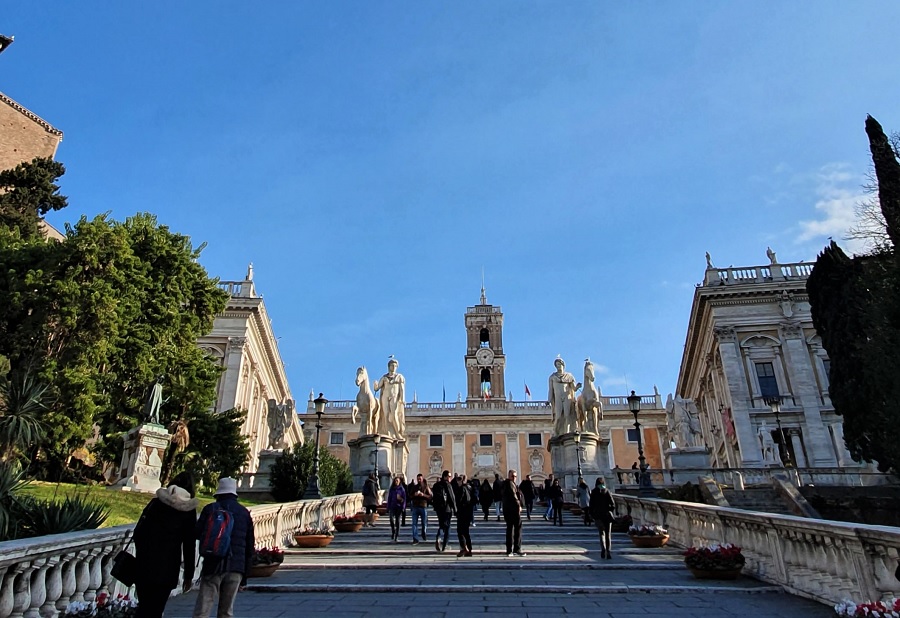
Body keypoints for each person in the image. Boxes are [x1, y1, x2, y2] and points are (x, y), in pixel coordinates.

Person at [133, 471, 197, 618]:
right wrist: (189, 575)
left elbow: (139, 533)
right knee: (156, 609)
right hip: (168, 569)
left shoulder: (156, 503)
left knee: (143, 608)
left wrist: (143, 554)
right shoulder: (188, 511)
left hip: (145, 565)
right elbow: (189, 545)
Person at [193, 477, 254, 618]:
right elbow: (250, 546)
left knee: (203, 609)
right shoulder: (244, 513)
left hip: (212, 564)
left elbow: (197, 533)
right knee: (226, 611)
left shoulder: (210, 509)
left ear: (218, 494)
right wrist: (245, 575)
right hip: (235, 567)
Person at [372, 356, 406, 439]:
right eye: (392, 366)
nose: (393, 367)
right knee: (385, 415)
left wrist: (402, 399)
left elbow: (402, 389)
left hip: (394, 397)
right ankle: (387, 433)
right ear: (389, 367)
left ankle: (397, 433)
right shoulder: (384, 377)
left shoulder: (399, 377)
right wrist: (375, 385)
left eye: (395, 366)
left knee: (394, 415)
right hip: (385, 397)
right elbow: (377, 388)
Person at [548, 357, 579, 435]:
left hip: (567, 397)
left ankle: (567, 432)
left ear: (563, 365)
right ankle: (556, 431)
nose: (558, 366)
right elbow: (551, 390)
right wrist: (549, 400)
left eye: (559, 364)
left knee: (567, 415)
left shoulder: (569, 376)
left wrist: (577, 387)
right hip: (558, 399)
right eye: (557, 365)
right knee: (558, 416)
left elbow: (574, 388)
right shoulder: (552, 377)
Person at [589, 477, 616, 559]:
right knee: (608, 535)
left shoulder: (594, 492)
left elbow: (591, 505)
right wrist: (610, 510)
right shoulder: (607, 491)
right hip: (607, 516)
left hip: (598, 516)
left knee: (601, 534)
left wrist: (592, 515)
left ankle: (603, 549)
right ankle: (608, 551)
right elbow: (613, 504)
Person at [501, 469, 526, 557]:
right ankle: (516, 549)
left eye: (515, 476)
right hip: (513, 510)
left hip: (508, 510)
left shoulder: (507, 484)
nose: (514, 478)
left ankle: (510, 550)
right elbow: (514, 495)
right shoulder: (510, 484)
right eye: (513, 476)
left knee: (510, 529)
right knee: (517, 529)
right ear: (509, 476)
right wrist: (519, 505)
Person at [431, 469, 457, 553]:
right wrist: (455, 509)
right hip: (447, 509)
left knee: (441, 524)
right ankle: (445, 545)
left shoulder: (436, 485)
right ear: (445, 476)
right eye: (449, 476)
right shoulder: (448, 484)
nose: (450, 478)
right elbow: (452, 497)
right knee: (447, 526)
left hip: (439, 509)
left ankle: (438, 537)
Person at [454, 473, 474, 556]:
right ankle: (469, 549)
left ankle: (464, 548)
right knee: (466, 532)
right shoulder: (469, 488)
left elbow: (459, 500)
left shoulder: (461, 489)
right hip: (468, 512)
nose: (457, 482)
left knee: (460, 531)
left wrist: (456, 509)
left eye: (459, 480)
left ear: (462, 481)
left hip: (462, 512)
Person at [407, 474, 432, 544]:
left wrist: (423, 495)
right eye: (418, 479)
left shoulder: (426, 487)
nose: (419, 480)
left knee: (424, 523)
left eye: (420, 479)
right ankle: (415, 538)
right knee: (414, 524)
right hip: (415, 506)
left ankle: (423, 532)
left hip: (423, 506)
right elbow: (410, 496)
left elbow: (430, 496)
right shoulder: (414, 487)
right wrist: (414, 495)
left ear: (422, 479)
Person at [386, 476, 406, 542]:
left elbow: (404, 499)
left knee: (397, 521)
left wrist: (403, 506)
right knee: (391, 520)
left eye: (397, 480)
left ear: (399, 481)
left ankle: (396, 535)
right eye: (395, 481)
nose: (396, 482)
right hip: (392, 506)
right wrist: (388, 507)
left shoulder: (402, 489)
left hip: (399, 507)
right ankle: (393, 531)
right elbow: (389, 498)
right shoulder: (392, 489)